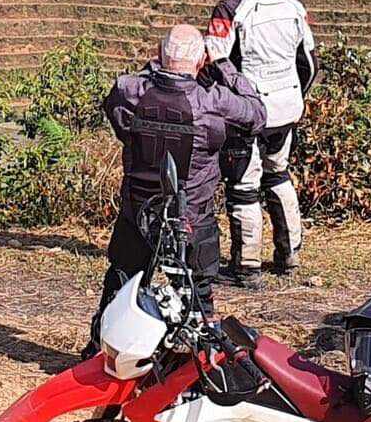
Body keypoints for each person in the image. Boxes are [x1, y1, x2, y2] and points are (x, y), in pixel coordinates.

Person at [92, 23, 266, 347]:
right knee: (199, 293)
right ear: (201, 60)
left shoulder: (130, 91)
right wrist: (223, 64)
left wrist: (155, 67)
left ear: (160, 54)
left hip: (138, 213)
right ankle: (200, 355)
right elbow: (257, 114)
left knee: (121, 280)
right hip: (192, 219)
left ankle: (99, 349)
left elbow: (115, 109)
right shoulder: (212, 101)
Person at [206, 0, 318, 285]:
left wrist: (233, 102)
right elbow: (309, 62)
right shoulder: (294, 4)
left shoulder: (230, 8)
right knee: (279, 174)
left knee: (244, 185)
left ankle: (247, 265)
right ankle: (289, 255)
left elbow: (216, 60)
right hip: (287, 108)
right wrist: (297, 97)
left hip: (249, 112)